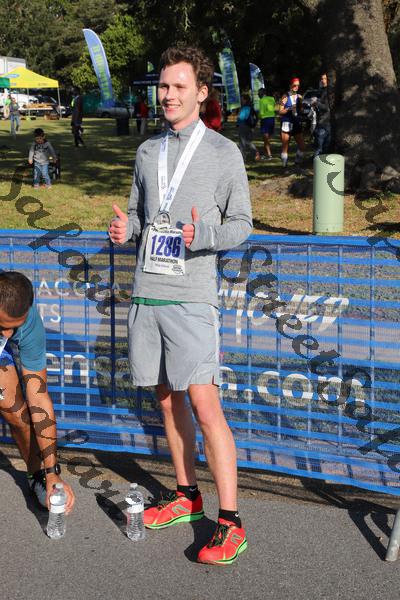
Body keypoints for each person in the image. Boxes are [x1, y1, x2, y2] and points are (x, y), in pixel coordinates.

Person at [109, 45, 252, 566]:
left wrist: (203, 235)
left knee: (206, 405)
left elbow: (242, 224)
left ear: (201, 92)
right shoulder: (147, 151)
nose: (167, 95)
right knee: (167, 402)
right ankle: (187, 495)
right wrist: (126, 229)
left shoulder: (223, 152)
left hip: (192, 298)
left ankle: (230, 522)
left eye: (178, 87)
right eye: (163, 87)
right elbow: (139, 215)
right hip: (147, 292)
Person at [0, 271, 75, 512]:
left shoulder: (30, 323)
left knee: (15, 409)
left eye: (14, 328)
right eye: (2, 326)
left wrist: (53, 471)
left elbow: (39, 397)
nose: (8, 334)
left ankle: (37, 475)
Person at [278, 77, 306, 167]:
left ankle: (297, 162)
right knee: (285, 146)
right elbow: (280, 111)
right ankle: (284, 165)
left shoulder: (299, 97)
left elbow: (301, 110)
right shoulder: (285, 96)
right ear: (290, 85)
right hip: (287, 122)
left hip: (296, 123)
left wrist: (303, 109)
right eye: (294, 85)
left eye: (298, 85)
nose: (296, 87)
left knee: (302, 146)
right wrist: (289, 109)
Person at [237, 93, 260, 161]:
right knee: (248, 141)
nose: (241, 100)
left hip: (243, 125)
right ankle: (255, 152)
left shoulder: (245, 107)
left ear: (245, 100)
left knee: (242, 142)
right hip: (249, 126)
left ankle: (243, 157)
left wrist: (238, 116)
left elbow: (241, 117)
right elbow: (256, 117)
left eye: (242, 99)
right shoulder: (251, 107)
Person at [312, 73, 331, 157]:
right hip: (321, 122)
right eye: (322, 79)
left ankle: (317, 163)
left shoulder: (328, 91)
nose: (323, 81)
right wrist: (315, 105)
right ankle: (316, 163)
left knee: (320, 148)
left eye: (325, 79)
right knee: (320, 148)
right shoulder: (322, 91)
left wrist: (316, 102)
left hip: (326, 122)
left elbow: (326, 107)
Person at [258, 87, 276, 160]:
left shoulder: (261, 100)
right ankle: (265, 154)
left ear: (260, 94)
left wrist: (258, 117)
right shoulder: (272, 99)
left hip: (265, 120)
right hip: (272, 119)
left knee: (266, 139)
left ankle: (269, 155)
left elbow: (261, 113)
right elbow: (273, 107)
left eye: (258, 93)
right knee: (267, 138)